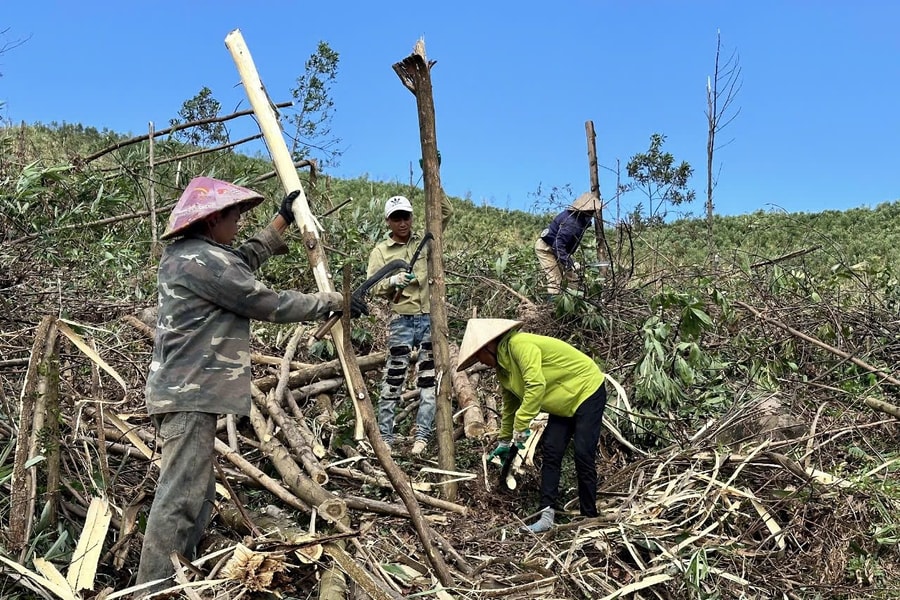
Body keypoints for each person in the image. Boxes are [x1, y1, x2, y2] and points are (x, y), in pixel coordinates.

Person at [136, 177, 367, 594]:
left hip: (186, 393)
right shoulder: (202, 262)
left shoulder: (193, 255)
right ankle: (151, 591)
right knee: (178, 500)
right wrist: (331, 302)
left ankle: (175, 580)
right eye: (235, 215)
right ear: (211, 220)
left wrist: (280, 222)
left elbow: (241, 259)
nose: (240, 222)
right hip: (189, 394)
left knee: (197, 494)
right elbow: (266, 302)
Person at [456, 318, 607, 533]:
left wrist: (521, 424)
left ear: (490, 346)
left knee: (583, 453)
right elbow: (509, 406)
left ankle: (589, 516)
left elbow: (536, 386)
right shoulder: (504, 370)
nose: (481, 362)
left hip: (586, 389)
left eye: (479, 356)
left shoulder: (520, 345)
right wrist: (505, 440)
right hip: (561, 403)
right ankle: (546, 515)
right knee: (552, 452)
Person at [366, 192, 452, 455]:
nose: (402, 223)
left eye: (406, 216)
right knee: (394, 378)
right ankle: (386, 438)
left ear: (411, 217)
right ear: (388, 221)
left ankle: (422, 437)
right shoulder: (381, 251)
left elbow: (446, 213)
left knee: (428, 379)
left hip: (429, 318)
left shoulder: (424, 242)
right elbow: (372, 286)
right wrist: (392, 282)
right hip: (401, 320)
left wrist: (434, 179)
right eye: (396, 218)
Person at [534, 192, 600, 296]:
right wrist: (570, 263)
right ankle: (553, 307)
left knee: (572, 279)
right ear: (585, 211)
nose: (593, 214)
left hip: (559, 250)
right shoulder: (571, 223)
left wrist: (569, 264)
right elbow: (558, 245)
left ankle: (572, 302)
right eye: (591, 211)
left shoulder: (580, 220)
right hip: (546, 248)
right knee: (555, 280)